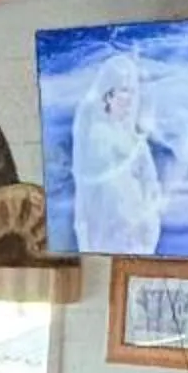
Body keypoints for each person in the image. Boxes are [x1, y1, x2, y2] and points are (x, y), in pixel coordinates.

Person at [68, 49, 165, 255]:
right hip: (107, 239)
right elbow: (91, 195)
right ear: (108, 96)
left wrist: (147, 221)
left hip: (137, 241)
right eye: (123, 90)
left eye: (132, 90)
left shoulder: (137, 142)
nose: (130, 98)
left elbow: (151, 185)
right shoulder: (95, 137)